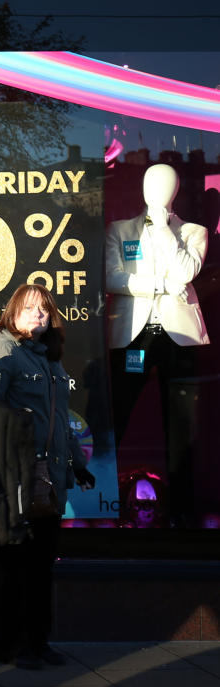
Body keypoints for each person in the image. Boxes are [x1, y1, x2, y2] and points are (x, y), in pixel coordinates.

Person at [0, 283, 94, 671]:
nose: (37, 315)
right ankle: (11, 646)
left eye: (43, 310)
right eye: (28, 309)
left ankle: (38, 642)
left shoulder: (51, 359)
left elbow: (60, 420)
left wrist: (78, 463)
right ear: (12, 312)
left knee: (41, 565)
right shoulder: (2, 350)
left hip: (51, 479)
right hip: (19, 478)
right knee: (15, 565)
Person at [104, 163, 209, 526]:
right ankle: (103, 497)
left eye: (165, 184)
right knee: (119, 414)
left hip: (179, 339)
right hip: (134, 336)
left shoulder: (194, 232)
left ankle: (183, 510)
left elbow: (185, 272)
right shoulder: (119, 231)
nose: (157, 190)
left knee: (183, 426)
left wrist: (163, 227)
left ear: (176, 189)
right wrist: (162, 285)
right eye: (152, 183)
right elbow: (114, 278)